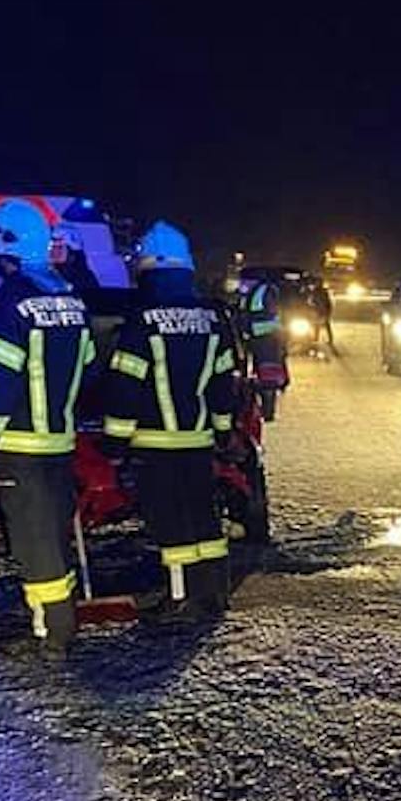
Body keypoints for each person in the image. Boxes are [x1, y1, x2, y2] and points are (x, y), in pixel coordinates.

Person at [0, 198, 95, 651]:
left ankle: (52, 634)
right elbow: (89, 368)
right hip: (59, 442)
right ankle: (61, 620)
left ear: (6, 248)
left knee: (33, 541)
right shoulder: (70, 298)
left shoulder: (10, 304)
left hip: (20, 447)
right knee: (53, 532)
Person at [102, 219, 239, 619]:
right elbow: (221, 385)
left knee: (170, 521)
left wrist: (115, 443)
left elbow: (125, 386)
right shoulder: (211, 318)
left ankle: (180, 598)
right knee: (203, 516)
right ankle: (214, 593)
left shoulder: (142, 320)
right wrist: (223, 431)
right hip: (197, 441)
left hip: (153, 442)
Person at [240, 271, 288, 419]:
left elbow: (250, 312)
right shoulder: (262, 290)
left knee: (266, 371)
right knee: (266, 370)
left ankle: (266, 408)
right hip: (265, 334)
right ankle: (264, 407)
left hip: (263, 334)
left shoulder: (261, 290)